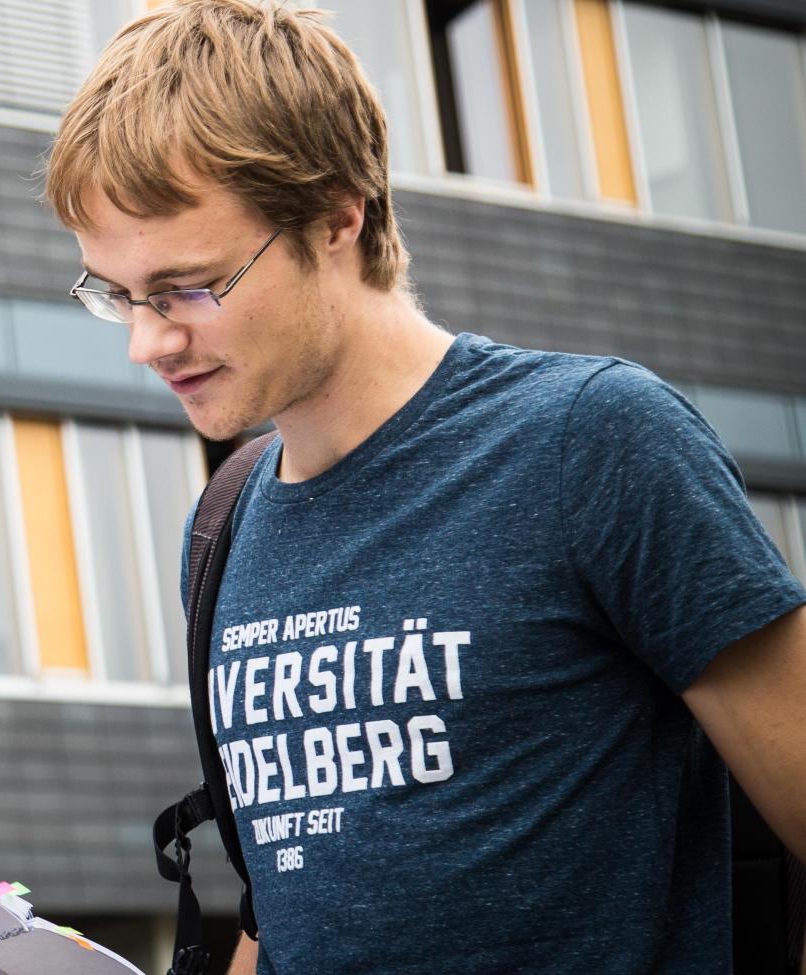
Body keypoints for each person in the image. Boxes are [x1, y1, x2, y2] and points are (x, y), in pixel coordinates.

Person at [42, 2, 806, 972]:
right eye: (115, 294)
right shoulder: (221, 522)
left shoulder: (593, 441)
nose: (146, 342)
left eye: (187, 287)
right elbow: (281, 918)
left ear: (335, 217)